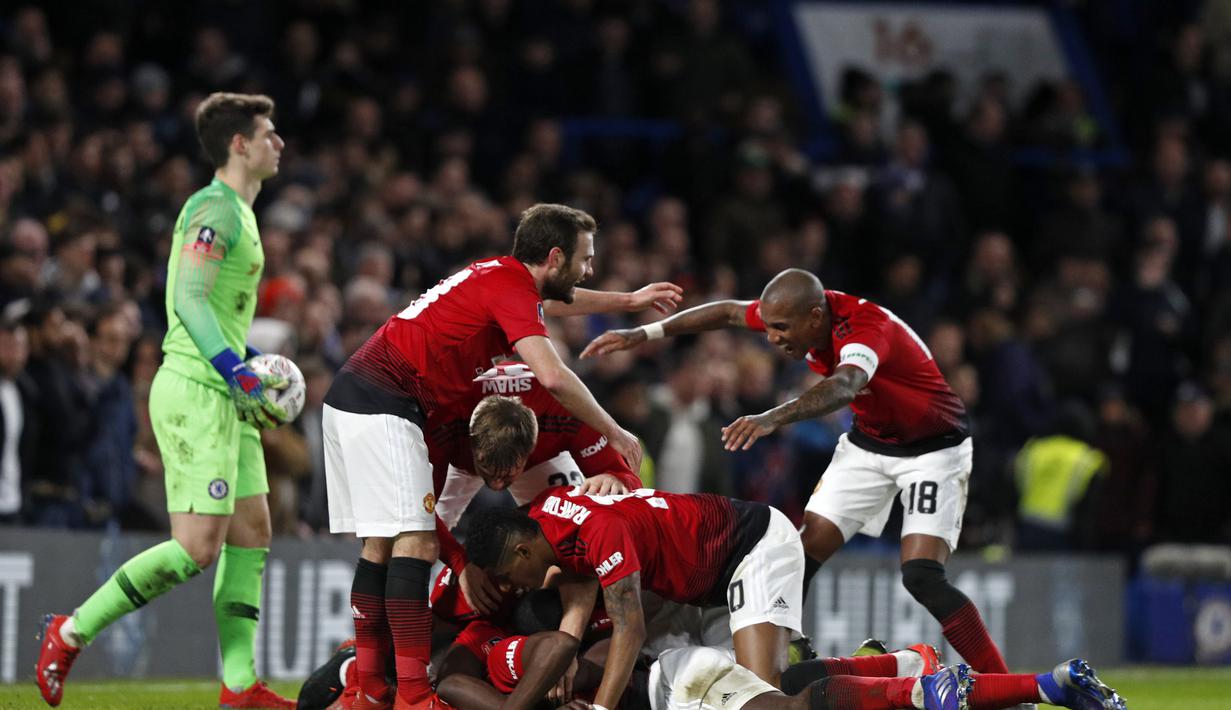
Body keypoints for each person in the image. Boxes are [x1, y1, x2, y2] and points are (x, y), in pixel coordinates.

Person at [322, 202, 681, 708]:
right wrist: (615, 429)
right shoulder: (511, 291)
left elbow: (556, 303)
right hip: (395, 403)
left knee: (382, 546)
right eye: (585, 258)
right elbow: (554, 375)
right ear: (555, 258)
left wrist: (628, 301)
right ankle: (412, 696)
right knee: (418, 545)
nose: (589, 269)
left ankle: (368, 685)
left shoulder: (498, 277)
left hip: (356, 397)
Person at [582, 268, 1011, 676]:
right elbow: (729, 311)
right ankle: (793, 650)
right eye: (768, 327)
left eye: (782, 329)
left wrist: (772, 417)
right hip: (870, 444)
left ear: (815, 316)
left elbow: (845, 386)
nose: (772, 338)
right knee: (798, 555)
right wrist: (645, 332)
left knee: (922, 576)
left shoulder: (865, 329)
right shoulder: (802, 313)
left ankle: (1003, 687)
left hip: (933, 450)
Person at [36, 92, 295, 708]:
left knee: (253, 529)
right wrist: (238, 368)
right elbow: (188, 298)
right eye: (268, 133)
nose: (278, 143)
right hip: (199, 388)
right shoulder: (215, 208)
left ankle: (239, 688)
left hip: (227, 393)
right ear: (240, 144)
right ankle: (67, 633)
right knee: (197, 548)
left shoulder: (242, 211)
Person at [464, 480, 805, 710]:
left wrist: (600, 708)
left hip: (750, 546)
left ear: (523, 552)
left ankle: (809, 659)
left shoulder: (601, 534)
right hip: (697, 580)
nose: (509, 587)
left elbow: (630, 628)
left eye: (505, 576)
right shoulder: (546, 510)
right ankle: (789, 653)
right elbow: (577, 575)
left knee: (759, 694)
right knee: (722, 692)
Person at [432, 371, 644, 620]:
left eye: (509, 474)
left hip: (538, 451)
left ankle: (580, 618)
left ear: (532, 447)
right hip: (457, 455)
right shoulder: (444, 419)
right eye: (490, 473)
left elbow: (632, 488)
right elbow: (416, 513)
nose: (498, 486)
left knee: (574, 527)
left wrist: (615, 477)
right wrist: (460, 564)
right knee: (412, 539)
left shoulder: (565, 409)